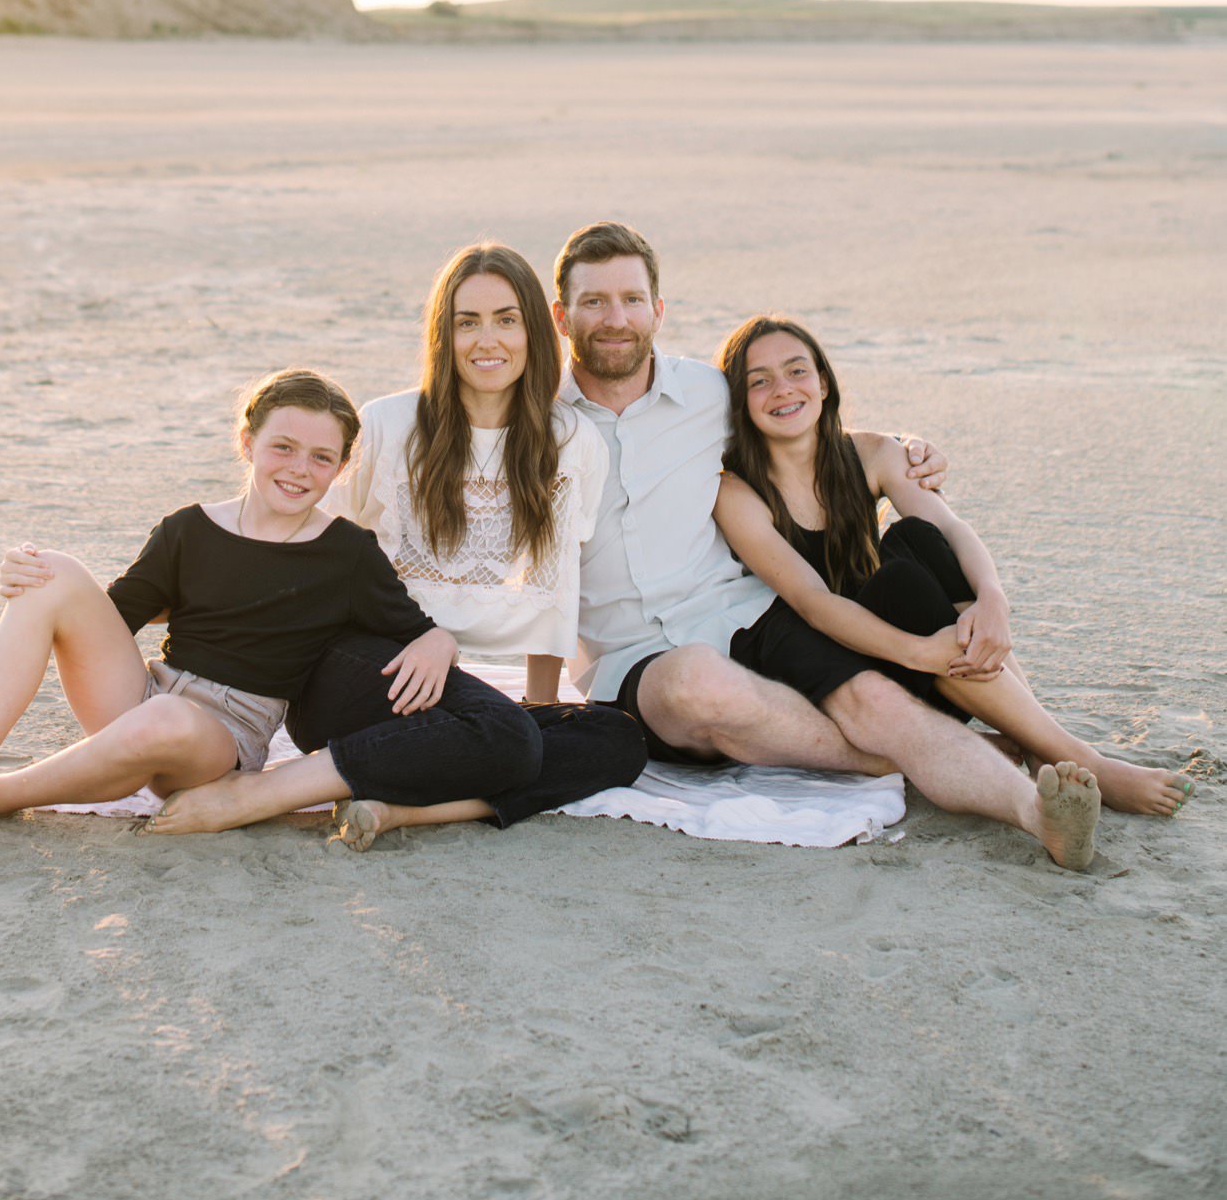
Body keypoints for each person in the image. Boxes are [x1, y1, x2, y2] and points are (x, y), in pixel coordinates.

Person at [551, 223, 1103, 869]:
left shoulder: (706, 394)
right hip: (631, 662)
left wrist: (907, 448)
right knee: (696, 682)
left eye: (632, 299)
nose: (616, 318)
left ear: (658, 310)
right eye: (594, 301)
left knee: (875, 698)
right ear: (562, 316)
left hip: (747, 615)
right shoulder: (535, 425)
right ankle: (915, 754)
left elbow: (793, 412)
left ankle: (1037, 814)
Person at [0, 369, 541, 862]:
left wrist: (439, 639)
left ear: (341, 467)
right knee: (54, 569)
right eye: (283, 447)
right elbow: (113, 616)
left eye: (321, 457)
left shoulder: (346, 552)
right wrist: (29, 581)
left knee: (171, 719)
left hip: (221, 739)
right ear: (247, 442)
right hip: (146, 693)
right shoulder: (189, 528)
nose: (299, 468)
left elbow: (409, 624)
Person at [146, 243, 648, 847]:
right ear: (444, 334)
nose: (487, 340)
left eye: (506, 320)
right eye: (467, 322)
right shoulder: (389, 425)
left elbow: (556, 588)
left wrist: (539, 707)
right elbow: (307, 548)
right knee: (506, 740)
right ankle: (259, 794)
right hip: (358, 669)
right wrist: (427, 641)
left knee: (616, 740)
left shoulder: (572, 441)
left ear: (534, 331)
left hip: (465, 701)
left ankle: (397, 810)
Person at [714, 313, 1191, 824]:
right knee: (895, 579)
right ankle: (1078, 755)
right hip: (844, 669)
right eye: (758, 381)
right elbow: (815, 602)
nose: (782, 390)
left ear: (824, 382)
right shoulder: (737, 492)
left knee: (915, 538)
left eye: (796, 371)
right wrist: (919, 653)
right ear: (739, 401)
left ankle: (1039, 744)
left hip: (946, 663)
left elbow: (953, 528)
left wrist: (993, 599)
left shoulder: (873, 453)